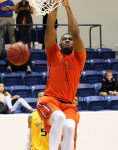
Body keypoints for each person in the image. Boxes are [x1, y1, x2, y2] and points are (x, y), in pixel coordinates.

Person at [37, 0, 86, 150]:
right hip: (49, 100)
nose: (67, 40)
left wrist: (68, 7)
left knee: (70, 127)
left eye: (69, 39)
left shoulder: (79, 57)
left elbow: (76, 33)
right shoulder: (53, 52)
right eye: (64, 39)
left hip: (68, 104)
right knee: (59, 118)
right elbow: (50, 26)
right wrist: (55, 5)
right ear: (59, 42)